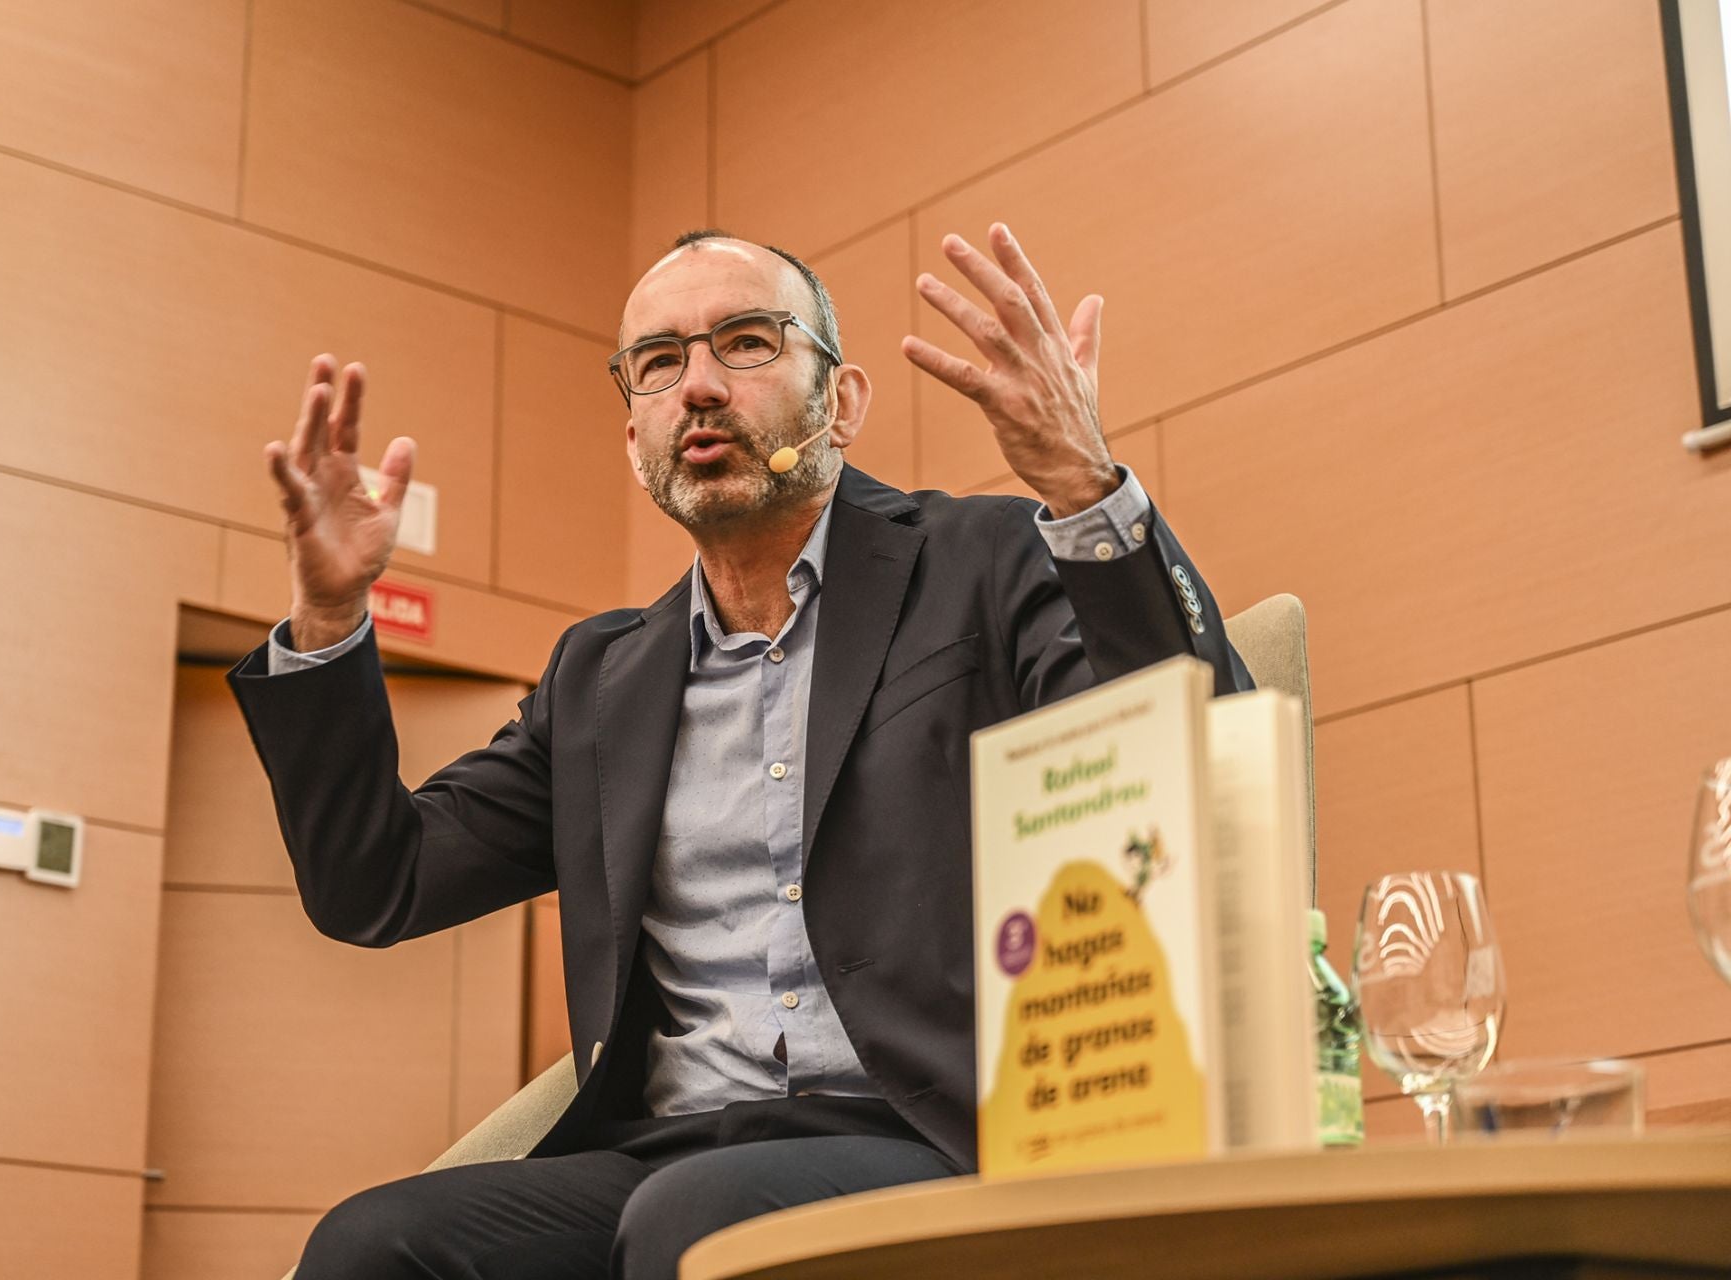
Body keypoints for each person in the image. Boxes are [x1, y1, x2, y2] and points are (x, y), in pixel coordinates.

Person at [229, 222, 1252, 1279]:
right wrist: (327, 615)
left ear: (843, 400)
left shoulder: (985, 562)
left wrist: (1087, 491)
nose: (700, 387)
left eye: (748, 341)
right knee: (371, 1244)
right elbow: (374, 882)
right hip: (670, 1144)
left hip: (943, 1131)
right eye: (660, 364)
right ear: (636, 440)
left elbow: (1190, 749)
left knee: (703, 1217)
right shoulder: (599, 678)